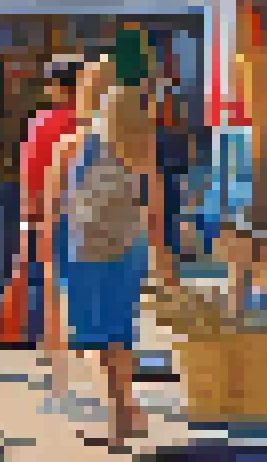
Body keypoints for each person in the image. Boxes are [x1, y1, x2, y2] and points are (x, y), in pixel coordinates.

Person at [55, 86, 162, 450]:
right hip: (125, 252)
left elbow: (59, 201)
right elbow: (154, 203)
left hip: (90, 254)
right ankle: (125, 416)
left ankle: (120, 423)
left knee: (103, 341)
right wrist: (159, 252)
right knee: (116, 337)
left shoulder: (81, 144)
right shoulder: (136, 148)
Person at [14, 58, 81, 391]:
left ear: (56, 87)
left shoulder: (42, 123)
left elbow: (31, 176)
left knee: (53, 288)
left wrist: (29, 219)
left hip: (52, 214)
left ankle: (55, 358)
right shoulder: (92, 122)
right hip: (91, 214)